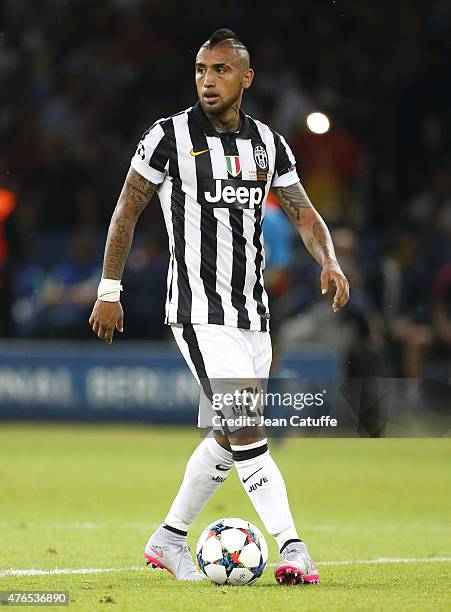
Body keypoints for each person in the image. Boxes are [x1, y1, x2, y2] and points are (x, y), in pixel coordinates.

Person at [89, 28, 349, 585]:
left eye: (221, 70)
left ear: (246, 78)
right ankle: (294, 548)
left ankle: (168, 539)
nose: (208, 80)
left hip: (253, 317)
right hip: (198, 312)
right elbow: (126, 212)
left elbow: (303, 214)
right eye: (202, 69)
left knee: (230, 439)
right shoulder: (167, 137)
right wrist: (109, 289)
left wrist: (328, 259)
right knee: (250, 428)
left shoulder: (269, 146)